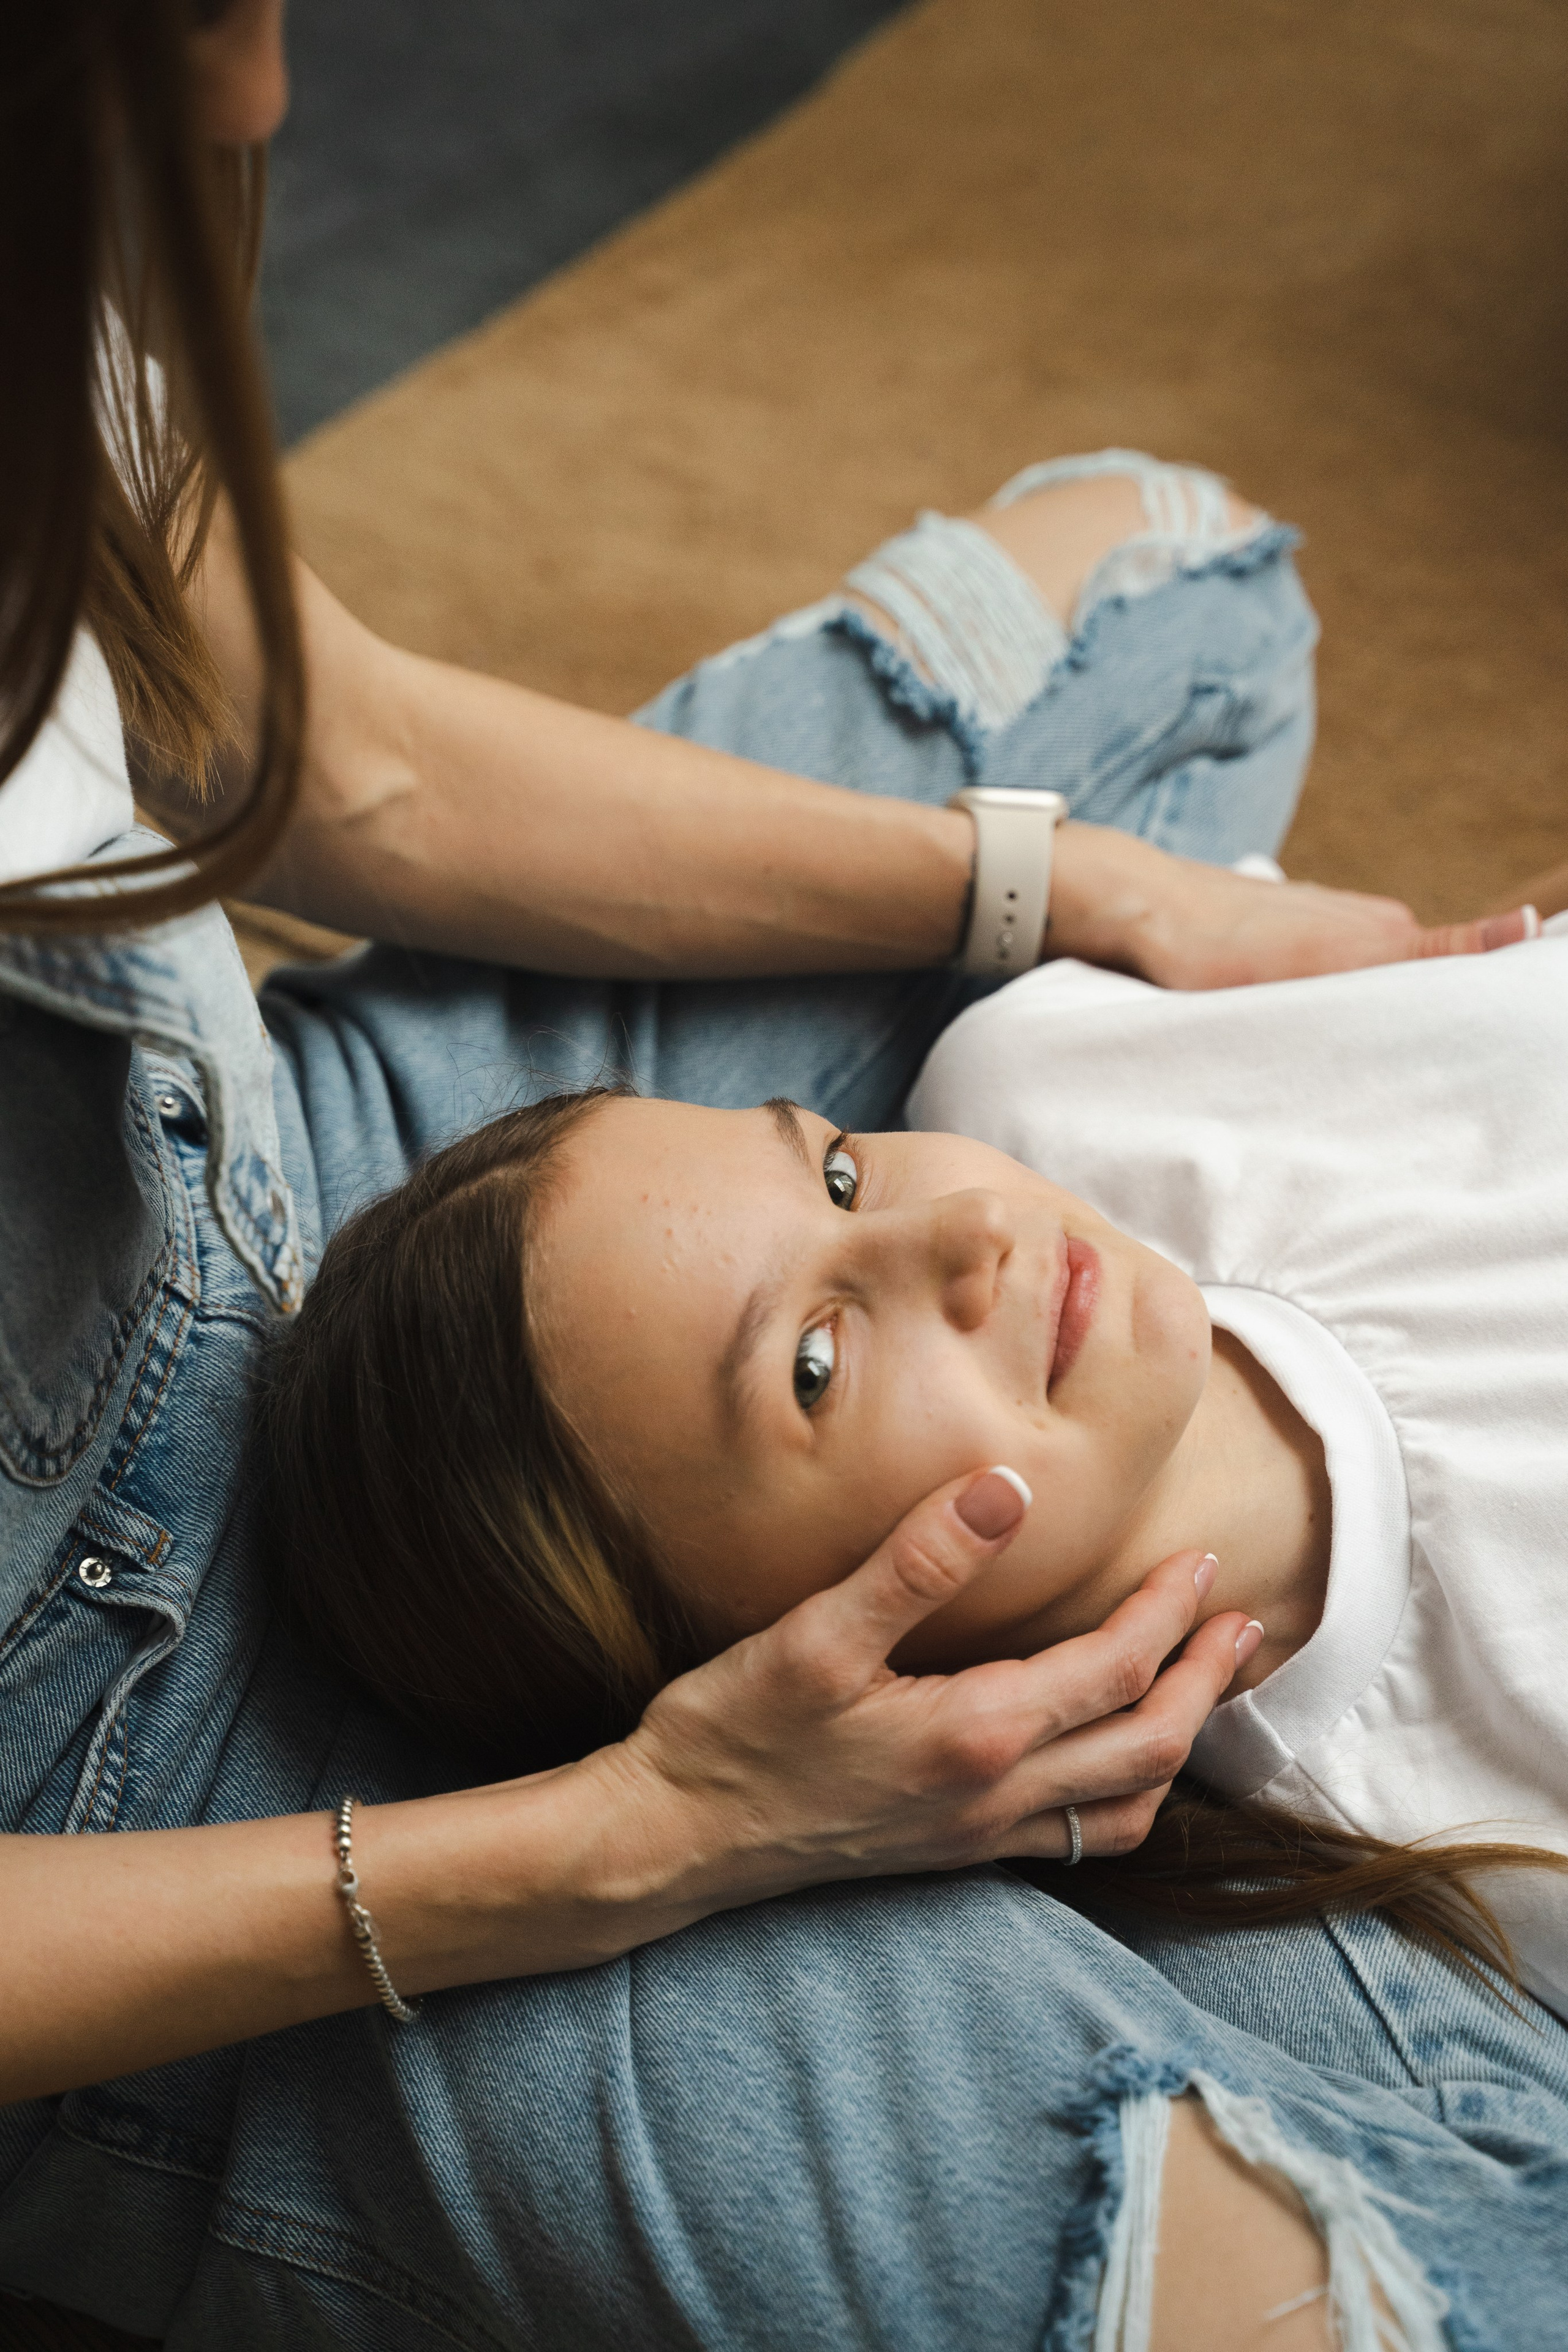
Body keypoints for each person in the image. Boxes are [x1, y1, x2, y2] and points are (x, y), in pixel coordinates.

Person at [2, 1, 1564, 2344]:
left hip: (315, 1199)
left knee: (1170, 597)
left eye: (839, 1164)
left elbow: (309, 750)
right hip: (117, 1782)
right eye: (176, 38)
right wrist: (644, 1842)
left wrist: (1044, 895)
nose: (254, 102)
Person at [257, 919, 1568, 2022]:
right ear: (794, 1677)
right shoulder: (1470, 1855)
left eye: (835, 1172)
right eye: (814, 1365)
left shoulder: (1048, 1070)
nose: (968, 1228)